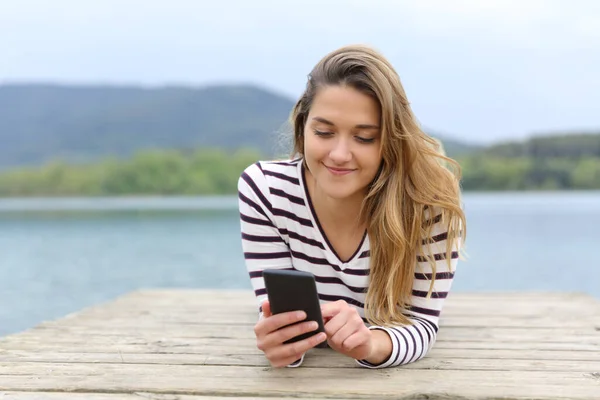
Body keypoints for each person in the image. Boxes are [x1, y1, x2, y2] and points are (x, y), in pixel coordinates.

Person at [237, 44, 466, 369]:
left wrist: (370, 343)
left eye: (364, 138)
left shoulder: (430, 203)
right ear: (302, 126)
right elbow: (276, 315)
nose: (340, 154)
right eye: (324, 132)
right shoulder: (265, 190)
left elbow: (421, 325)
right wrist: (283, 343)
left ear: (392, 140)